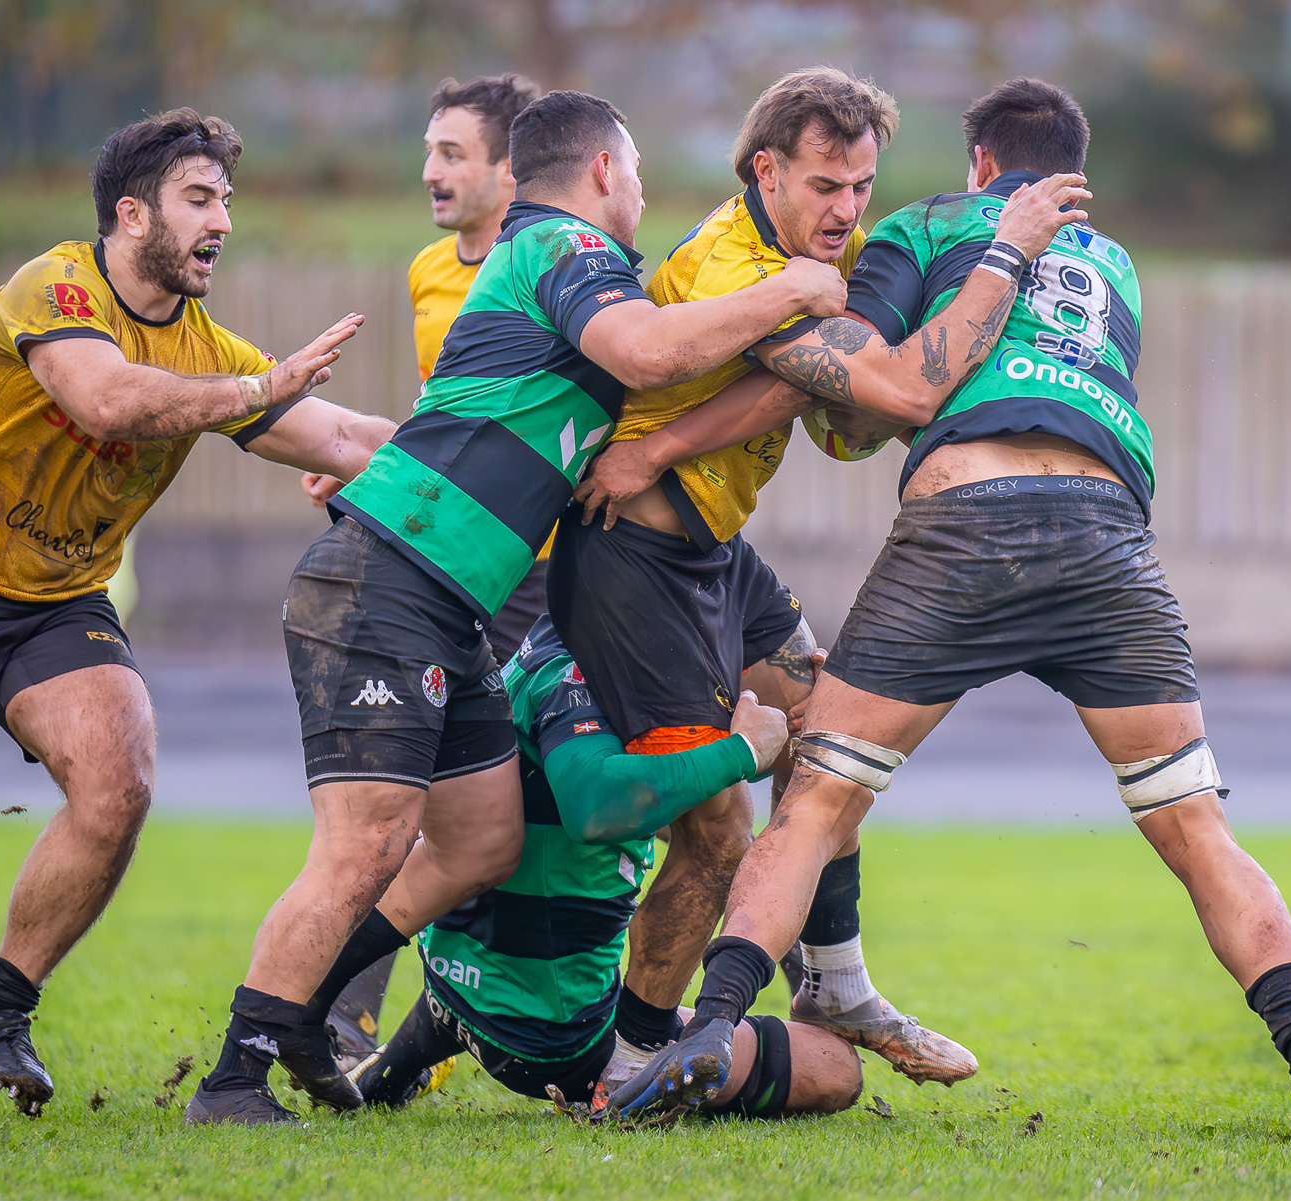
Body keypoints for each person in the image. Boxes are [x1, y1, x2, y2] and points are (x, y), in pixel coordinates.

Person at [606, 78, 1291, 1134]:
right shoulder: (1115, 265)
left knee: (818, 799)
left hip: (965, 521)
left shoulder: (925, 226)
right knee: (1198, 827)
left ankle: (707, 1033)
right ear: (1071, 173)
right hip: (1108, 533)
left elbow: (868, 379)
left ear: (978, 163)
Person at [186, 89, 849, 1125]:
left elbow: (498, 414)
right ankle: (236, 1075)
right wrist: (796, 287)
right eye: (632, 178)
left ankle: (305, 1010)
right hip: (387, 584)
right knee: (365, 843)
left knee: (479, 842)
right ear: (599, 175)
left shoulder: (546, 267)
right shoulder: (561, 249)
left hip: (442, 600)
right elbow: (650, 355)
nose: (638, 197)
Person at [0, 109, 396, 1117]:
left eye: (228, 201)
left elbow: (344, 435)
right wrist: (258, 385)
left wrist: (498, 453)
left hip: (57, 605)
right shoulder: (53, 285)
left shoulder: (207, 345)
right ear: (134, 214)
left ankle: (1, 1009)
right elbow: (107, 399)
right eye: (200, 199)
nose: (224, 220)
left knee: (119, 779)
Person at [551, 67, 1038, 1093]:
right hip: (633, 556)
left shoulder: (830, 255)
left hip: (714, 552)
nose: (848, 209)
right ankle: (632, 1053)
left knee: (826, 730)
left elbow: (842, 415)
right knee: (720, 829)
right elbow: (807, 393)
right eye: (826, 185)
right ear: (766, 170)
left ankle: (832, 979)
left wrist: (860, 392)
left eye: (862, 186)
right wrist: (657, 448)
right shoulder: (737, 262)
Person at [343, 614, 861, 1122]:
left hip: (450, 988)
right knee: (836, 1067)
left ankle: (397, 1065)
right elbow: (627, 819)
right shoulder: (592, 694)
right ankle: (633, 1052)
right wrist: (751, 748)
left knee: (688, 814)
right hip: (556, 1042)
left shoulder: (549, 645)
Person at [305, 72, 544, 1070]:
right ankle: (342, 1016)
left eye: (452, 152)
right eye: (428, 150)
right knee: (405, 792)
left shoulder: (568, 269)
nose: (429, 171)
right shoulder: (427, 272)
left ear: (511, 169)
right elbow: (448, 422)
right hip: (467, 570)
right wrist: (371, 467)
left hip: (564, 567)